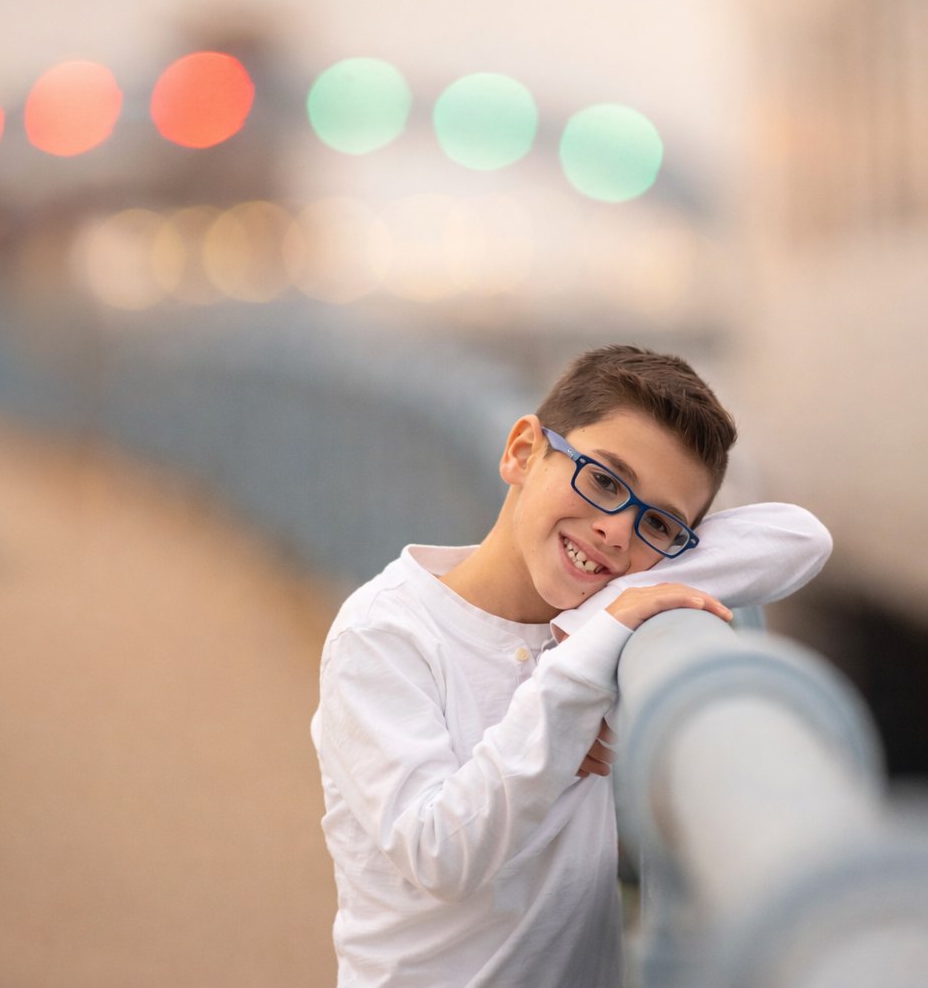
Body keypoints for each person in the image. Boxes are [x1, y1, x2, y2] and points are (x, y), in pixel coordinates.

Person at [311, 345, 832, 987]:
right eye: (605, 481)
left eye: (660, 524)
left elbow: (802, 537)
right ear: (523, 453)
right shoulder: (384, 631)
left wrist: (602, 615)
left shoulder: (591, 622)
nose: (617, 531)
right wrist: (583, 665)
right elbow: (440, 852)